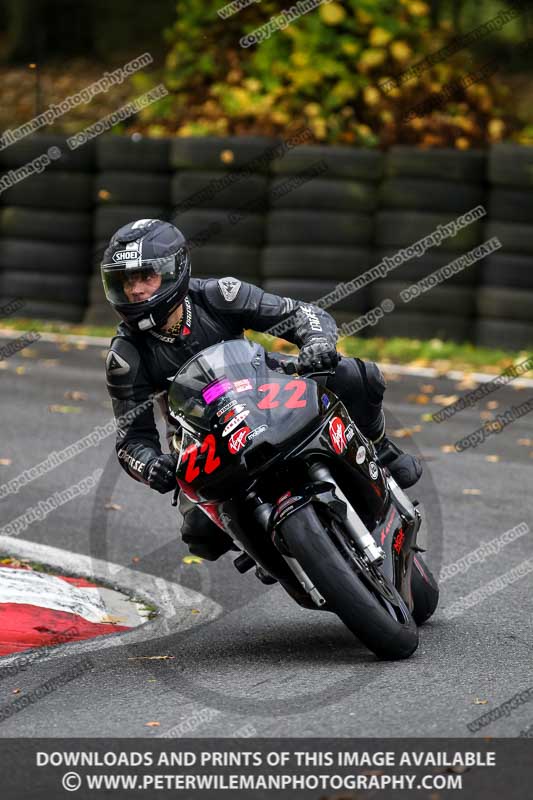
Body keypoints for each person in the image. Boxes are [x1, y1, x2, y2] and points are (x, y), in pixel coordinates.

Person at [103, 219, 422, 561]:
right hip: (202, 436)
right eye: (126, 281)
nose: (135, 291)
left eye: (145, 277)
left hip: (267, 389)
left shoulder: (218, 295)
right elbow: (132, 441)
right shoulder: (125, 356)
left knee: (356, 375)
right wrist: (150, 465)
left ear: (173, 271)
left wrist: (315, 342)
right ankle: (267, 553)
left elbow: (302, 314)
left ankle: (377, 447)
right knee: (201, 534)